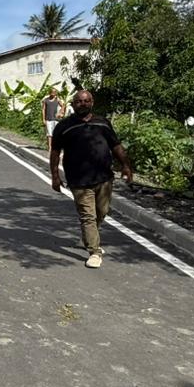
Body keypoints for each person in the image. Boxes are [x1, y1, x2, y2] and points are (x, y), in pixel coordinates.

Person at [49, 90, 132, 268]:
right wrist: (55, 176)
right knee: (88, 216)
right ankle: (94, 252)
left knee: (101, 213)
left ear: (92, 102)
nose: (82, 104)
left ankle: (88, 237)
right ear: (72, 105)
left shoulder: (103, 123)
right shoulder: (64, 126)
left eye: (86, 101)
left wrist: (126, 165)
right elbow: (55, 153)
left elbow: (116, 146)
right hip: (78, 180)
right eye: (78, 101)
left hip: (104, 178)